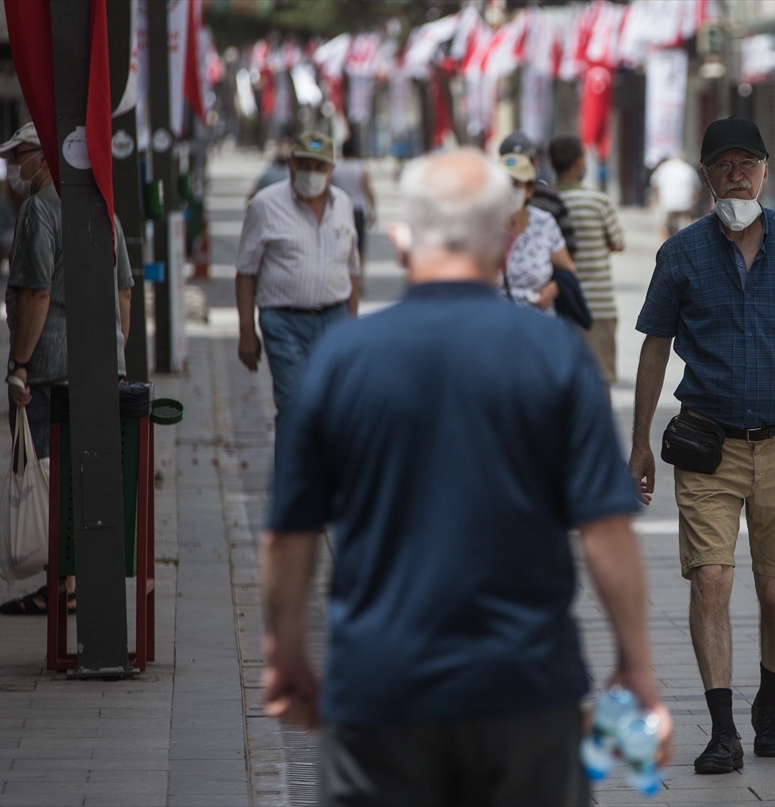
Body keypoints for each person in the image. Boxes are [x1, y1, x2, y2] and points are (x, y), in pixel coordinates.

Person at [260, 147, 672, 806]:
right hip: (527, 693)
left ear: (401, 243)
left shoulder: (341, 359)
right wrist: (637, 667)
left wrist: (286, 654)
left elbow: (291, 534)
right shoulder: (556, 357)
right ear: (508, 241)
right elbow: (605, 529)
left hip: (379, 695)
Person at [629, 118, 775, 773]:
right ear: (705, 177)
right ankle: (723, 726)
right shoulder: (680, 254)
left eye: (746, 163)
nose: (736, 174)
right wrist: (641, 440)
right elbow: (653, 346)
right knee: (711, 580)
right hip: (708, 444)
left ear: (764, 171)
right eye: (722, 164)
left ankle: (770, 701)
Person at [0, 122, 134, 616]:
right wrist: (115, 351)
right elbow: (124, 292)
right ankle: (75, 580)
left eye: (22, 156)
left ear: (46, 156)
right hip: (100, 369)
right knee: (82, 472)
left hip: (49, 367)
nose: (16, 168)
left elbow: (36, 292)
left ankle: (59, 585)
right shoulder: (102, 207)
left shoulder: (40, 209)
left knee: (50, 475)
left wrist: (19, 365)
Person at [235, 131, 361, 436]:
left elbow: (352, 268)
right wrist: (247, 332)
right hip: (283, 321)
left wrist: (352, 325)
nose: (312, 175)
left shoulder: (343, 204)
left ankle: (324, 481)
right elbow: (245, 273)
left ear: (332, 169)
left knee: (334, 405)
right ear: (291, 165)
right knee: (294, 406)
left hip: (334, 318)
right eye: (304, 165)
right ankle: (292, 482)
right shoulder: (265, 206)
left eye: (319, 167)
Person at [550, 135, 625, 386]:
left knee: (559, 382)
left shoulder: (545, 201)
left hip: (556, 304)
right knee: (600, 380)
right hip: (598, 305)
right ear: (580, 164)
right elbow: (618, 242)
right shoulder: (599, 201)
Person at [500, 153, 575, 316]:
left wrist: (552, 290)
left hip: (539, 323)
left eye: (515, 184)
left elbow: (569, 270)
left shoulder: (544, 223)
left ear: (529, 190)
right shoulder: (482, 225)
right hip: (494, 327)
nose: (507, 190)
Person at [499, 131, 578, 258]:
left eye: (517, 183)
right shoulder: (488, 217)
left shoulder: (546, 217)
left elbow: (566, 255)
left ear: (529, 190)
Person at [329, 139, 377, 264]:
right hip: (357, 209)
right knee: (359, 246)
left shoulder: (336, 168)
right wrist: (373, 211)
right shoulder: (360, 167)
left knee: (341, 244)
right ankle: (359, 277)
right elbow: (368, 190)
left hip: (339, 210)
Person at [649, 152, 702, 239]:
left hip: (667, 204)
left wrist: (656, 201)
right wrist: (694, 202)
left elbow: (654, 185)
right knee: (688, 223)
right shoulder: (689, 169)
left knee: (660, 224)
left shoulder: (664, 168)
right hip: (686, 204)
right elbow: (698, 189)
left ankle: (665, 243)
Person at [247, 135, 293, 201]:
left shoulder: (294, 172)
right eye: (280, 147)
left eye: (285, 147)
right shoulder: (270, 171)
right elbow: (252, 194)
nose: (282, 150)